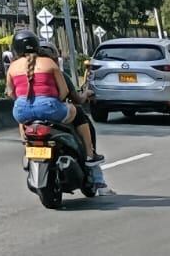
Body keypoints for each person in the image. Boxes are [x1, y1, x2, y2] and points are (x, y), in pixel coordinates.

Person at [7, 29, 105, 188]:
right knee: (77, 112)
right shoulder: (50, 64)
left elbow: (11, 93)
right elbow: (64, 92)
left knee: (24, 118)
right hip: (50, 108)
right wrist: (52, 102)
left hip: (21, 111)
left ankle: (26, 146)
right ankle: (89, 153)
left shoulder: (12, 67)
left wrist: (24, 102)